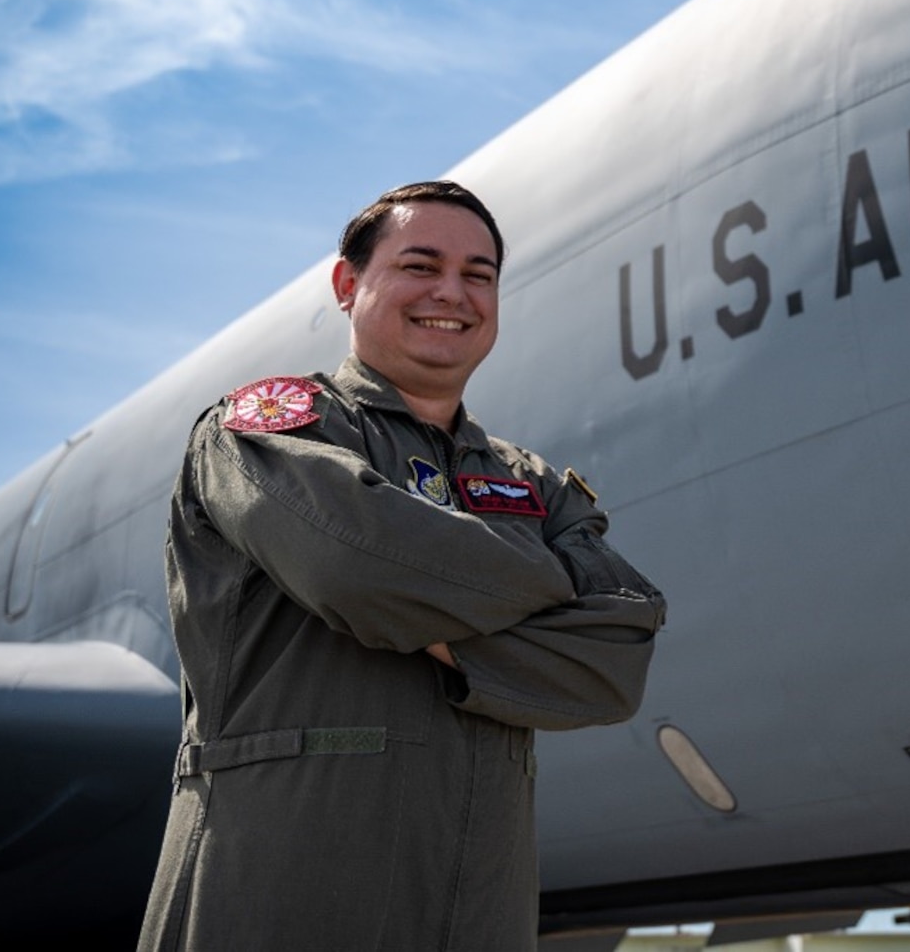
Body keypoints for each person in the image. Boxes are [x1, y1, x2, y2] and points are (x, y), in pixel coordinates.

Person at [137, 180, 664, 952]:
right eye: (421, 265)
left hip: (479, 912)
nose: (453, 292)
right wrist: (544, 585)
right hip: (278, 903)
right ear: (349, 285)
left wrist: (433, 611)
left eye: (479, 274)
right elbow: (357, 568)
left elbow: (618, 663)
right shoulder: (262, 432)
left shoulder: (534, 481)